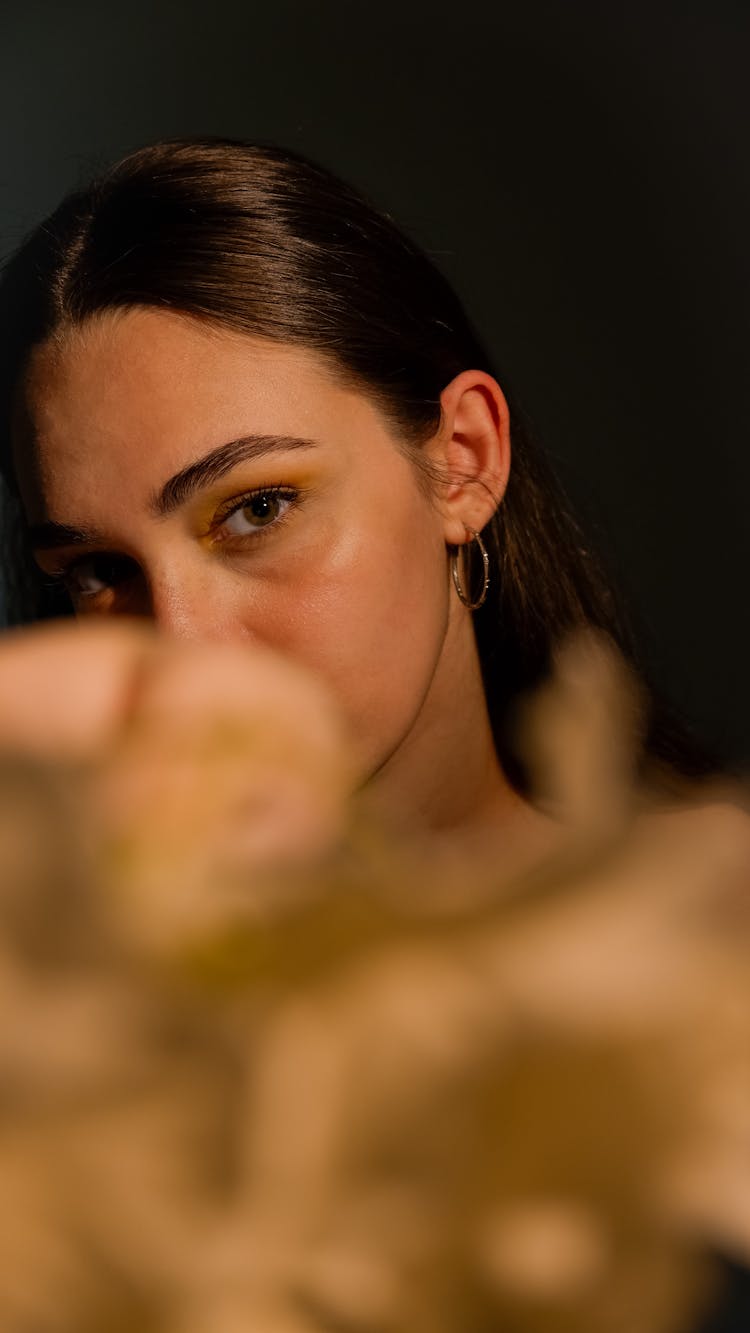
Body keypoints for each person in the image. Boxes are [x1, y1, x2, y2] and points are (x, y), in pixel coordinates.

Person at [0, 137, 715, 842]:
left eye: (258, 509)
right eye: (100, 570)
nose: (184, 654)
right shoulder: (54, 948)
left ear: (464, 461)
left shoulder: (711, 926)